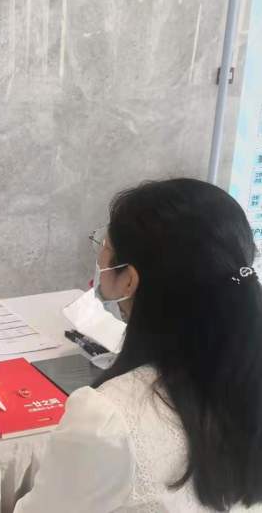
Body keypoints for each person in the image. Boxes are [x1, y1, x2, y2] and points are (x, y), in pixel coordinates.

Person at [15, 179, 262, 512]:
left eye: (102, 244)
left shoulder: (107, 418)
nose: (99, 256)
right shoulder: (241, 379)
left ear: (129, 279)